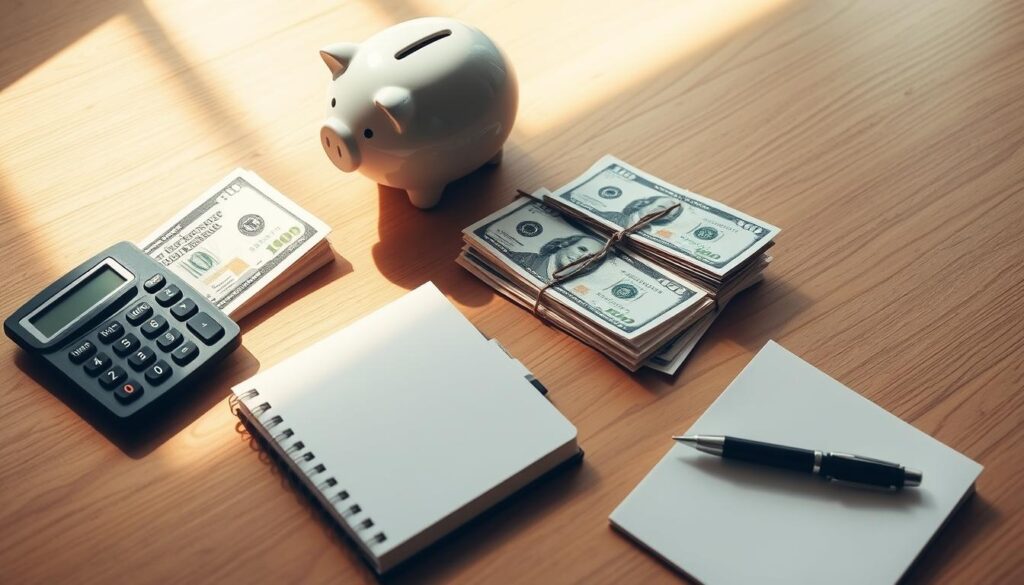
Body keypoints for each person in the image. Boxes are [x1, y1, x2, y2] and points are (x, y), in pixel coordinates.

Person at [510, 234, 606, 281]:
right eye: (582, 249)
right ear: (564, 244)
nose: (583, 257)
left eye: (591, 257)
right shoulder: (521, 259)